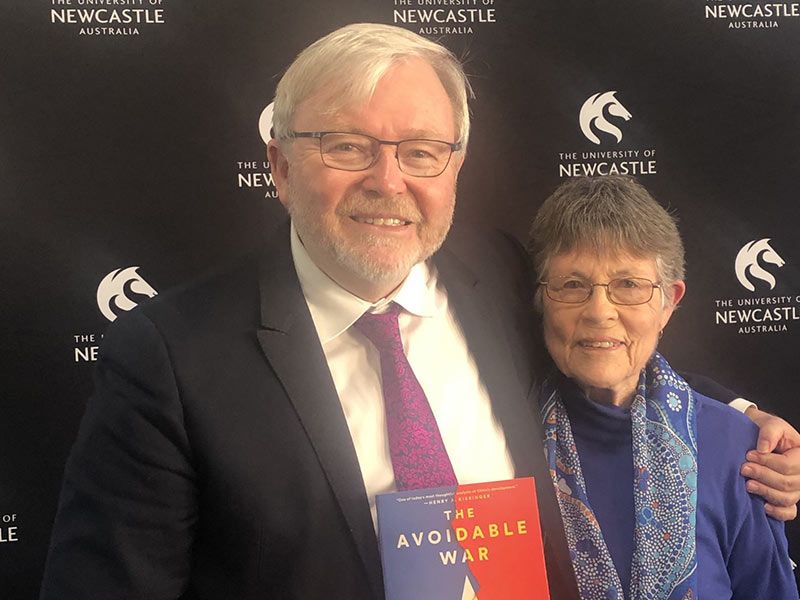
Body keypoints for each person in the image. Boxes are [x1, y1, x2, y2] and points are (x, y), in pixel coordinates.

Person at [39, 24, 799, 600]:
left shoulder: (497, 276)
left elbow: (599, 340)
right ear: (278, 165)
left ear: (456, 168)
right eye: (346, 146)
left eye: (422, 152)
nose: (388, 180)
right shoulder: (171, 358)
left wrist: (739, 414)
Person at [527, 175, 799, 598]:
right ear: (542, 299)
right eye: (573, 285)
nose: (600, 312)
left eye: (629, 285)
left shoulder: (736, 448)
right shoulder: (496, 432)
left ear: (668, 303)